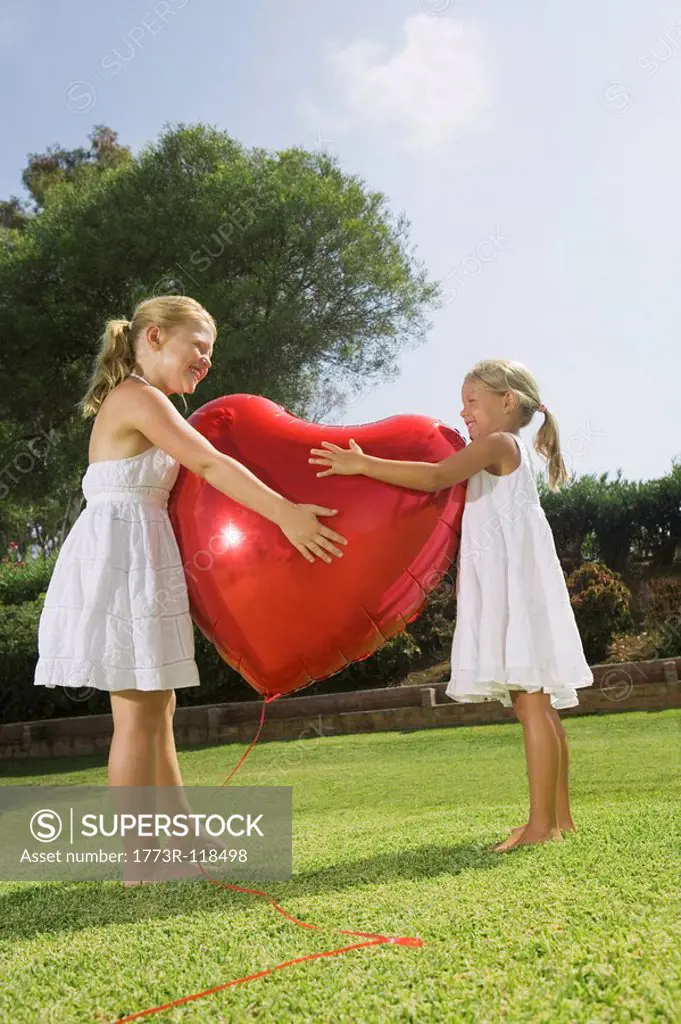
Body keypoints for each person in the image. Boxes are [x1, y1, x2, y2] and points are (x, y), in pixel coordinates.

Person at [34, 294, 348, 883]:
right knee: (135, 711)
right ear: (153, 337)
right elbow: (206, 465)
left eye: (211, 353)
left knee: (160, 703)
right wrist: (285, 514)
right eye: (198, 347)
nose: (206, 362)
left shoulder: (147, 400)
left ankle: (183, 839)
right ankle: (139, 858)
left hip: (140, 549)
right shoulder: (138, 397)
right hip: (119, 556)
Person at [308, 358, 592, 852]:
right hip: (518, 586)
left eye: (473, 402)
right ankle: (559, 819)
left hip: (514, 592)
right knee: (539, 706)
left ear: (507, 402)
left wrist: (362, 465)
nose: (464, 414)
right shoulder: (506, 449)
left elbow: (436, 476)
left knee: (531, 705)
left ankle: (542, 824)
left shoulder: (499, 445)